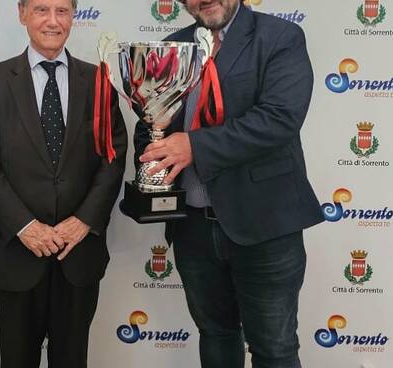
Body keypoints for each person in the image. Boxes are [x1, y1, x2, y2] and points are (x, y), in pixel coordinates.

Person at [135, 1, 324, 367]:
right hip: (192, 229)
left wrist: (193, 146)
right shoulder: (171, 48)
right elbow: (150, 123)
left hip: (265, 225)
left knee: (274, 348)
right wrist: (152, 159)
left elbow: (279, 118)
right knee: (217, 337)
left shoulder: (280, 37)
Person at [0, 0, 127, 367]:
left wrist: (83, 221)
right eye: (41, 10)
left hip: (78, 255)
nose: (52, 21)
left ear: (74, 16)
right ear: (22, 14)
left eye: (62, 11)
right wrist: (25, 226)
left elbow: (114, 154)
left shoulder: (99, 81)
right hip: (16, 254)